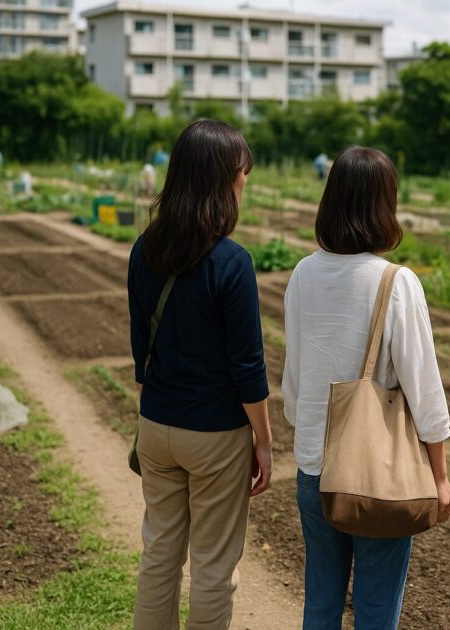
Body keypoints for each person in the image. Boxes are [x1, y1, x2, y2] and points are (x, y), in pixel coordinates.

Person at [282, 146, 450, 629]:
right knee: (377, 609)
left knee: (320, 601)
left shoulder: (302, 274)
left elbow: (293, 384)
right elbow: (424, 390)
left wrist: (311, 433)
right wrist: (439, 476)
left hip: (314, 468)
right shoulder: (395, 283)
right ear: (385, 204)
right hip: (375, 477)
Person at [128, 119, 273, 630]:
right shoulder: (232, 263)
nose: (245, 181)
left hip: (157, 429)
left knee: (160, 554)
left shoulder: (144, 249)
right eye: (241, 172)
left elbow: (140, 354)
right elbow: (248, 368)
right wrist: (264, 441)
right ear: (222, 179)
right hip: (214, 436)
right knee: (213, 567)